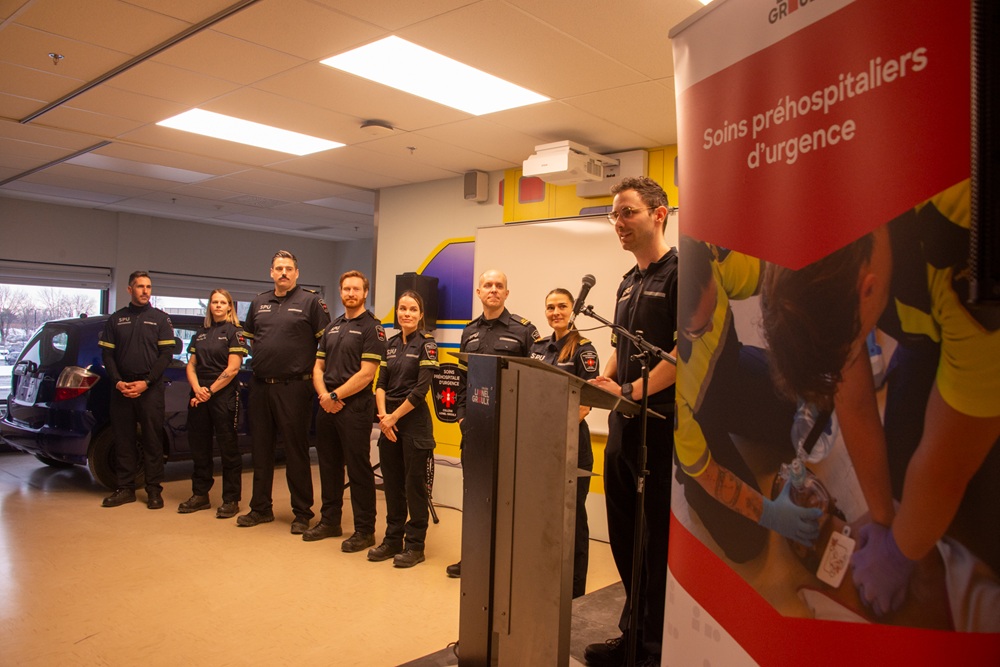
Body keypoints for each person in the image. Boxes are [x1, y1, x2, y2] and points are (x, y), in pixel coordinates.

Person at [760, 179, 1000, 617]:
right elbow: (851, 396)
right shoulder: (816, 253)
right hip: (928, 324)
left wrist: (900, 553)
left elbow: (948, 469)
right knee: (903, 454)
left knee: (981, 510)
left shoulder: (965, 252)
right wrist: (885, 517)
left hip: (982, 312)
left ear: (868, 289)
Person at [674, 236, 820, 563]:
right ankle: (686, 470)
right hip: (701, 424)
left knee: (812, 418)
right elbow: (710, 474)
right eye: (699, 329)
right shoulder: (670, 376)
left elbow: (772, 276)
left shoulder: (708, 260)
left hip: (733, 373)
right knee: (747, 540)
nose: (711, 326)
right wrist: (769, 512)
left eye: (713, 310)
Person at [585, 177, 677, 667]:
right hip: (622, 425)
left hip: (660, 428)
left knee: (653, 542)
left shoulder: (682, 273)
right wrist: (605, 379)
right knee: (624, 536)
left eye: (628, 213)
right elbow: (623, 349)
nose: (618, 223)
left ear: (658, 214)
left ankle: (653, 647)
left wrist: (634, 391)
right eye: (614, 215)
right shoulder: (627, 281)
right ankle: (632, 634)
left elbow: (688, 351)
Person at [447, 269, 540, 578]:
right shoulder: (469, 332)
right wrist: (461, 415)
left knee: (509, 496)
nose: (494, 290)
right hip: (474, 427)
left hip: (510, 429)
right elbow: (462, 379)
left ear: (507, 293)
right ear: (478, 292)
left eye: (499, 286)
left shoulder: (524, 331)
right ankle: (472, 557)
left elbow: (536, 381)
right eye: (488, 285)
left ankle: (505, 562)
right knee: (474, 495)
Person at [238, 250, 330, 533]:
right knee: (261, 449)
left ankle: (302, 513)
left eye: (288, 268)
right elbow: (253, 339)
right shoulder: (258, 303)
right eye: (279, 268)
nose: (283, 273)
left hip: (295, 387)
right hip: (261, 385)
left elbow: (325, 347)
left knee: (296, 450)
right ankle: (260, 508)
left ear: (297, 273)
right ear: (271, 272)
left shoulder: (312, 302)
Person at [308, 270, 386, 552]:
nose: (351, 293)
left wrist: (334, 395)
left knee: (358, 469)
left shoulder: (372, 328)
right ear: (340, 292)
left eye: (356, 289)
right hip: (327, 404)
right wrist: (324, 396)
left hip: (354, 406)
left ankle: (365, 530)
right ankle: (330, 521)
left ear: (365, 293)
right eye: (346, 289)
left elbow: (367, 374)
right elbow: (318, 368)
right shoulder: (332, 327)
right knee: (328, 466)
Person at [529, 288, 601, 597]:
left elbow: (585, 405)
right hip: (540, 444)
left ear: (572, 310)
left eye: (561, 306)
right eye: (550, 307)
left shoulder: (584, 349)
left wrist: (554, 435)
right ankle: (546, 580)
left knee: (573, 518)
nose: (555, 311)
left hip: (571, 444)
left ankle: (574, 590)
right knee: (544, 515)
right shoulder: (538, 348)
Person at [372, 290, 439, 567]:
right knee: (393, 485)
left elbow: (421, 389)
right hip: (389, 419)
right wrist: (384, 416)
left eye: (412, 309)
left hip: (413, 421)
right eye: (402, 309)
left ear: (420, 315)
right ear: (397, 312)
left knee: (414, 486)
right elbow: (380, 383)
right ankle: (392, 540)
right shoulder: (389, 345)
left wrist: (393, 418)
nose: (406, 313)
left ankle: (415, 546)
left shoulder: (427, 344)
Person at [98, 271, 175, 510]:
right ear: (130, 289)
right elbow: (107, 355)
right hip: (122, 389)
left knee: (153, 441)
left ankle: (154, 491)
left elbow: (166, 356)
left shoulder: (161, 319)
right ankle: (125, 489)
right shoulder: (116, 319)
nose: (145, 291)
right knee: (123, 440)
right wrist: (118, 381)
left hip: (150, 389)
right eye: (140, 286)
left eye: (148, 286)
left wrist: (147, 382)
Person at [179, 289, 248, 519]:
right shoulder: (199, 334)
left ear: (230, 307)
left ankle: (231, 499)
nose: (218, 306)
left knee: (229, 449)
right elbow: (191, 366)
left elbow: (233, 368)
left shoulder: (235, 333)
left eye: (222, 302)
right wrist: (198, 389)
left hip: (223, 394)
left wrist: (209, 391)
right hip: (200, 393)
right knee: (199, 448)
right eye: (214, 302)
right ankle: (200, 495)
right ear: (210, 306)